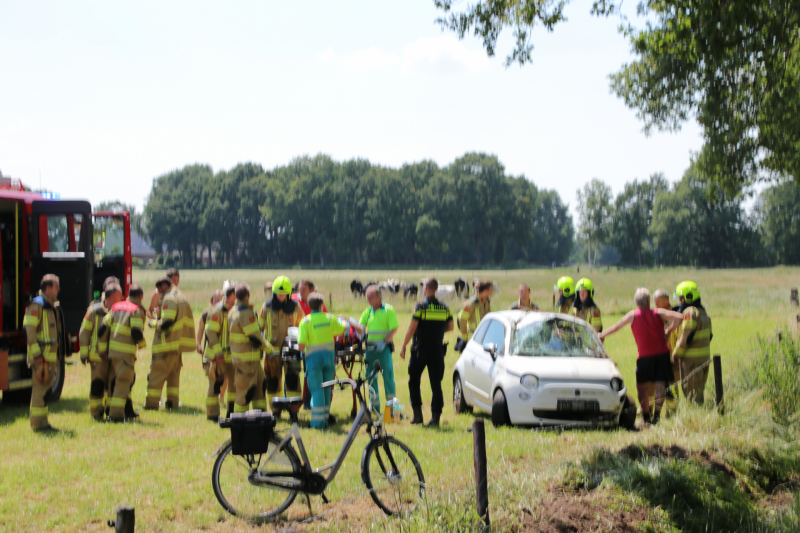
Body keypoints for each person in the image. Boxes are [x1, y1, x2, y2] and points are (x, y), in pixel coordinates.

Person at [599, 288, 683, 424]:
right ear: (649, 301)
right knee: (660, 385)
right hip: (662, 354)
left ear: (636, 303)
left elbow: (616, 327)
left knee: (641, 387)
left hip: (644, 356)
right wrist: (668, 331)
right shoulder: (658, 312)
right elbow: (679, 317)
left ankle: (645, 416)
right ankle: (656, 416)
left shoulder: (633, 315)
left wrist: (602, 335)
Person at [399, 278, 454, 427]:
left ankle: (418, 416)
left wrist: (403, 345)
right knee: (436, 384)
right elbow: (450, 327)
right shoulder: (445, 308)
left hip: (420, 349)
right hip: (437, 349)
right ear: (436, 289)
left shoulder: (421, 307)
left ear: (425, 289)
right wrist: (436, 332)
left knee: (414, 380)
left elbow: (411, 328)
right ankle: (435, 419)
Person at [344, 285, 399, 424]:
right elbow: (361, 330)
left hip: (383, 349)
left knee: (388, 378)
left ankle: (391, 409)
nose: (368, 299)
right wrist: (351, 321)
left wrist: (385, 341)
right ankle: (374, 407)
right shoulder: (367, 312)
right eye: (367, 297)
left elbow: (394, 328)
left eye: (370, 297)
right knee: (371, 379)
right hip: (370, 350)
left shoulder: (388, 310)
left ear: (378, 297)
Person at [146, 269, 195, 410]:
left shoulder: (169, 298)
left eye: (159, 290)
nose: (159, 293)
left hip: (165, 346)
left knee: (155, 376)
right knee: (173, 377)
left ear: (163, 286)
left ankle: (151, 404)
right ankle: (172, 403)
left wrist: (153, 323)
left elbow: (167, 322)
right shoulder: (181, 296)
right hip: (176, 346)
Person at [297, 292, 347, 429]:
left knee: (317, 389)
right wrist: (343, 320)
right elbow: (343, 328)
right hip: (329, 358)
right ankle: (325, 419)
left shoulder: (305, 321)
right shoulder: (329, 318)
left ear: (309, 305)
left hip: (313, 360)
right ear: (321, 305)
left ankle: (318, 423)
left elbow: (301, 346)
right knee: (326, 389)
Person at [98, 284, 147, 422]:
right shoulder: (136, 310)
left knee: (116, 382)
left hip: (113, 353)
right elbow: (136, 331)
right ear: (140, 296)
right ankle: (115, 416)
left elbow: (102, 328)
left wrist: (103, 349)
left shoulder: (116, 307)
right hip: (125, 353)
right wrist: (143, 344)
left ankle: (126, 410)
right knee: (124, 382)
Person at [259, 276, 305, 417]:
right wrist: (262, 347)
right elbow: (259, 328)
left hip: (291, 351)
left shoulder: (296, 307)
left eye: (284, 293)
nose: (281, 296)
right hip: (272, 352)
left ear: (289, 293)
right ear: (273, 293)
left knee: (293, 380)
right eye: (278, 294)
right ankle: (275, 410)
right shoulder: (266, 307)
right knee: (272, 382)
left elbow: (303, 326)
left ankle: (293, 410)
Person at [79, 282, 123, 420]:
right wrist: (84, 354)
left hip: (114, 356)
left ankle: (111, 413)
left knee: (113, 385)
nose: (123, 298)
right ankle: (96, 414)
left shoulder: (120, 311)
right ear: (114, 295)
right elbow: (84, 332)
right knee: (97, 386)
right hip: (97, 358)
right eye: (120, 295)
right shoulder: (94, 310)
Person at [23, 274, 61, 431]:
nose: (59, 290)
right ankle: (39, 424)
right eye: (56, 287)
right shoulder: (36, 306)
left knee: (44, 391)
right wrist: (37, 356)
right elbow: (29, 332)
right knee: (40, 390)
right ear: (48, 288)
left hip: (48, 358)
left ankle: (42, 422)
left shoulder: (50, 305)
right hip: (41, 358)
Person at [229, 282, 272, 414]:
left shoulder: (233, 311)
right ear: (248, 295)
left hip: (251, 361)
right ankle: (239, 423)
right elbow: (255, 337)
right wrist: (269, 349)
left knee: (260, 390)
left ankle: (261, 420)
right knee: (244, 394)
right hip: (246, 362)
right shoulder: (246, 313)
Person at [672, 281, 713, 403]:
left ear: (689, 297)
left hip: (692, 361)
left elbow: (686, 336)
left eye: (681, 298)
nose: (680, 302)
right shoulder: (703, 311)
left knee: (692, 394)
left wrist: (675, 354)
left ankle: (694, 419)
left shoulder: (690, 312)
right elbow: (710, 336)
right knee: (699, 390)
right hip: (704, 358)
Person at [198, 288, 224, 421]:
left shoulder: (225, 312)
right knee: (214, 384)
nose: (218, 301)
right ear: (211, 300)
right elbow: (202, 330)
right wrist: (198, 343)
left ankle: (222, 402)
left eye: (220, 298)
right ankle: (212, 414)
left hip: (222, 356)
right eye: (216, 299)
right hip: (212, 355)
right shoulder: (207, 313)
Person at [654, 289, 681, 400]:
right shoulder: (656, 315)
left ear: (666, 300)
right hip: (661, 355)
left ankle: (674, 409)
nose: (656, 305)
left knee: (674, 383)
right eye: (655, 302)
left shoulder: (676, 312)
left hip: (674, 354)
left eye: (658, 302)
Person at [457, 279, 492, 350]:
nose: (492, 291)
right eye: (491, 289)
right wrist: (464, 336)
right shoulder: (471, 303)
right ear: (485, 291)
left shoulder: (486, 301)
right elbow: (462, 320)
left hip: (485, 337)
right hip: (473, 338)